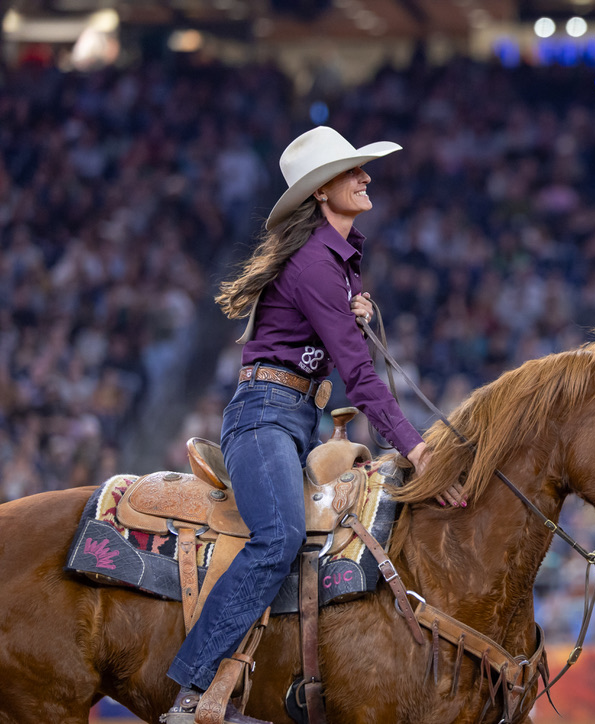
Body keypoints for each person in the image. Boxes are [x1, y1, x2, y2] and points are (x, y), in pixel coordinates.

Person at [163, 126, 461, 723]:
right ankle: (191, 690)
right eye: (353, 172)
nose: (365, 177)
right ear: (322, 192)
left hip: (294, 417)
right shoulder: (316, 265)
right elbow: (362, 375)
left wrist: (357, 310)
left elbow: (337, 352)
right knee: (279, 537)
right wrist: (418, 449)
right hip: (263, 417)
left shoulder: (338, 265)